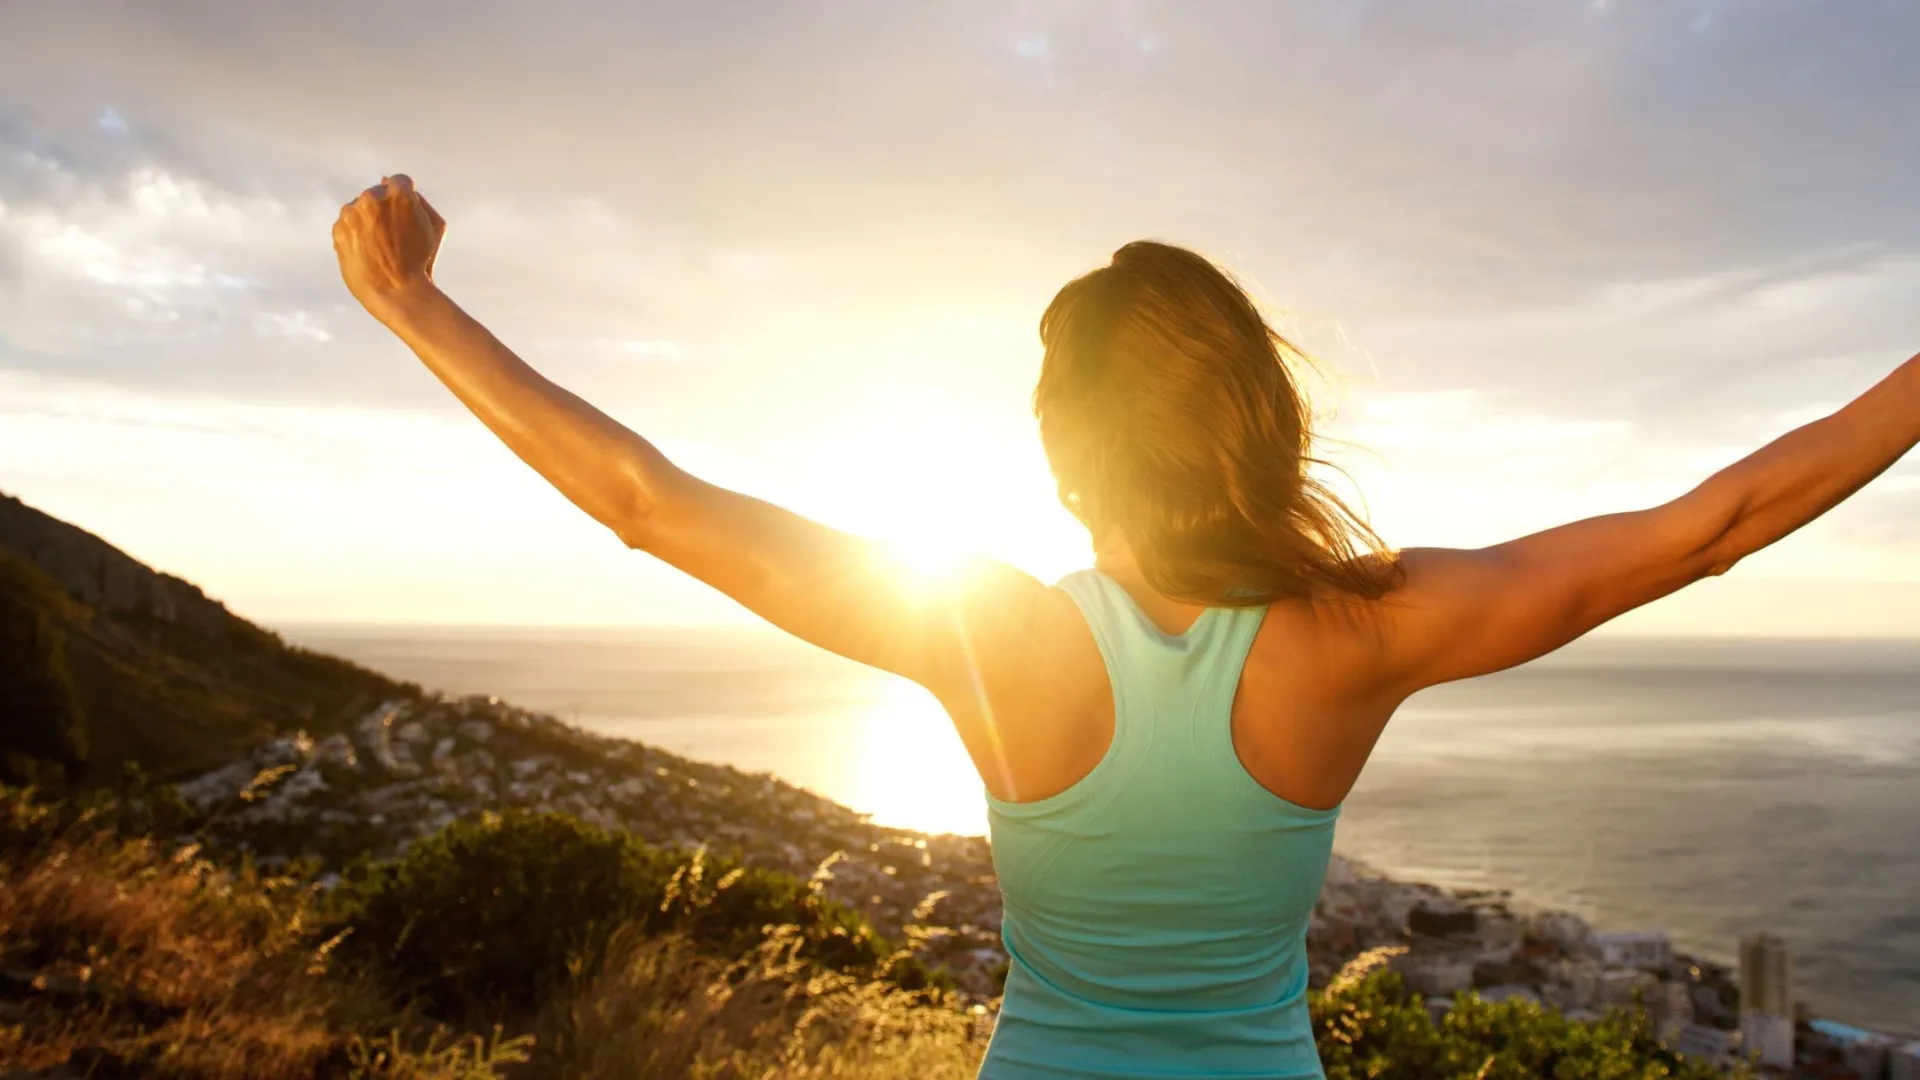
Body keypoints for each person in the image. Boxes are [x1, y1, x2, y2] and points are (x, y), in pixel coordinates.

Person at [332, 175, 1919, 1080]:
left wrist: (412, 306)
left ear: (1064, 444)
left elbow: (646, 502)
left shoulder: (997, 636)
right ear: (1261, 418)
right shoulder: (1359, 634)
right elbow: (1721, 523)